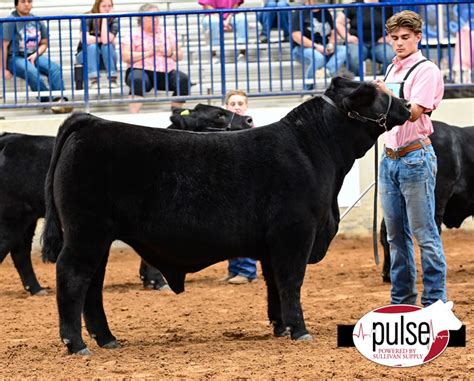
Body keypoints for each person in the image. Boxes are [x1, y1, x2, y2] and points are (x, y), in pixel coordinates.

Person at [374, 10, 446, 307]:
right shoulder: (393, 69)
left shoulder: (426, 70)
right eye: (395, 38)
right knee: (395, 237)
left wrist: (381, 94)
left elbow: (413, 111)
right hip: (391, 157)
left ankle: (434, 302)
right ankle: (402, 299)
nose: (400, 43)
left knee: (424, 234)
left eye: (406, 37)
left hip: (415, 157)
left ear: (418, 37)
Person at [1, 0, 72, 113]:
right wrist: (3, 69)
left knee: (54, 68)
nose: (27, 4)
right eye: (23, 1)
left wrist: (36, 54)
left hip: (33, 55)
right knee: (31, 72)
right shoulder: (10, 21)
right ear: (16, 4)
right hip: (15, 57)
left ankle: (60, 99)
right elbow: (3, 46)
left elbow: (44, 43)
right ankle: (48, 101)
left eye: (29, 1)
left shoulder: (37, 21)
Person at [121, 3, 190, 113]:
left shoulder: (168, 33)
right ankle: (133, 116)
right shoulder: (132, 34)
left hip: (165, 72)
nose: (155, 19)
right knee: (137, 79)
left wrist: (169, 53)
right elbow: (125, 56)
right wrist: (148, 53)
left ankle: (176, 112)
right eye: (151, 16)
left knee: (183, 79)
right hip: (141, 70)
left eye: (157, 16)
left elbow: (179, 55)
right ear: (142, 18)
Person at [222, 90, 257, 285]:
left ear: (246, 106)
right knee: (229, 230)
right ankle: (234, 269)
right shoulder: (223, 130)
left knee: (246, 230)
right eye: (232, 103)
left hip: (248, 187)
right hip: (228, 186)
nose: (236, 107)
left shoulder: (253, 130)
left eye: (240, 103)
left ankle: (247, 271)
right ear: (226, 107)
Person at [291, 0, 346, 90]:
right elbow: (296, 36)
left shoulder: (325, 11)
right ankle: (307, 90)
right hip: (302, 48)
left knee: (343, 50)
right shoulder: (299, 11)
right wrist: (316, 47)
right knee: (318, 58)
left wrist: (331, 44)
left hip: (324, 47)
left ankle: (326, 72)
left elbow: (333, 31)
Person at [335, 0, 395, 77]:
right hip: (357, 43)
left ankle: (382, 81)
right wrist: (347, 37)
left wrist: (389, 37)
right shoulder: (354, 5)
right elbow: (338, 22)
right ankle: (356, 83)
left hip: (379, 43)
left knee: (391, 57)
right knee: (354, 58)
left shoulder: (386, 6)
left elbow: (395, 24)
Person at [76, 0, 119, 89]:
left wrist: (104, 18)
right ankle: (94, 80)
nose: (107, 9)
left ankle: (112, 79)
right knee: (92, 47)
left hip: (105, 55)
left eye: (109, 6)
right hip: (85, 55)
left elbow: (106, 41)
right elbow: (85, 39)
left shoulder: (114, 19)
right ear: (97, 7)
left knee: (107, 46)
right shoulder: (88, 17)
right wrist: (101, 39)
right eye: (104, 6)